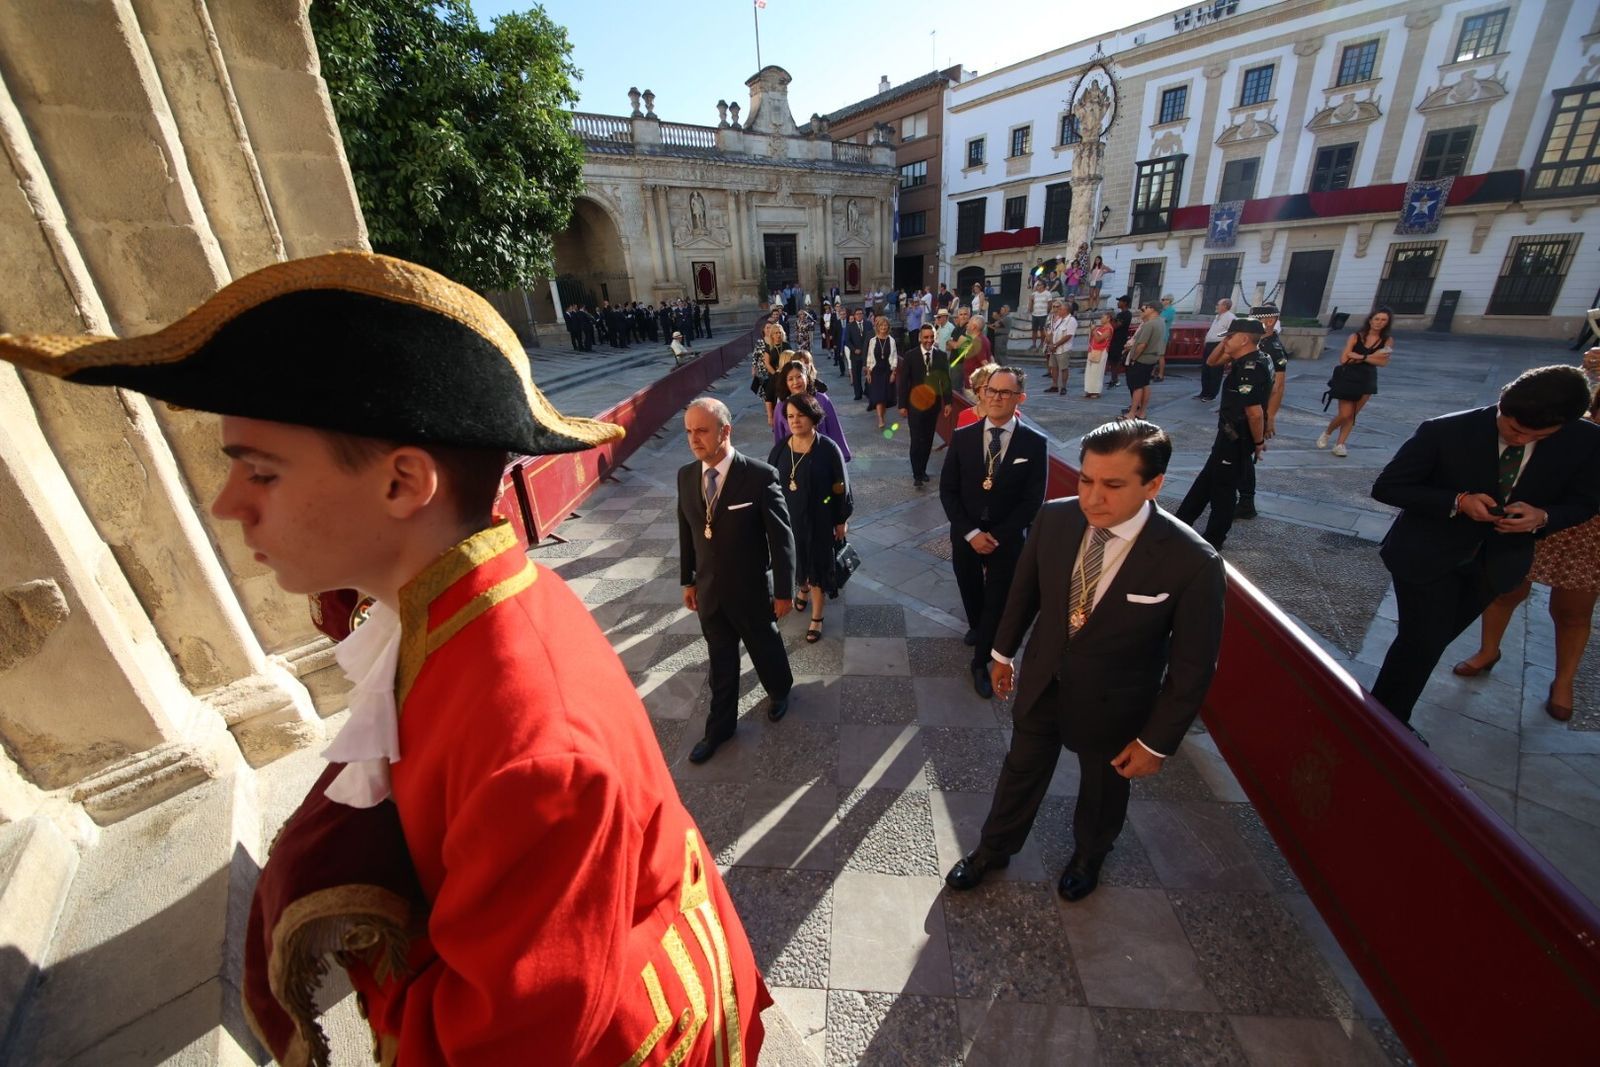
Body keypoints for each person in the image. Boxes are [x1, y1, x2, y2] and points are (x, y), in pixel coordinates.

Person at [0, 251, 773, 1064]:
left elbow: (493, 1044)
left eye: (261, 472)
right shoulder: (440, 608)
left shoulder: (534, 752)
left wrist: (377, 932)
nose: (230, 506)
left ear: (405, 484)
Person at [944, 419, 1226, 901]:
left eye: (1113, 485)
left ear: (1154, 484)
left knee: (1103, 788)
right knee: (1021, 769)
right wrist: (1001, 653)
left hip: (1115, 703)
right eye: (1085, 479)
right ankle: (994, 848)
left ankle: (1088, 856)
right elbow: (1024, 594)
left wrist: (1156, 744)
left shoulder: (1191, 560)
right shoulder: (1055, 519)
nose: (1093, 498)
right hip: (1043, 681)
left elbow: (1192, 667)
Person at [1369, 365, 1600, 729]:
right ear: (1502, 404)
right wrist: (1458, 501)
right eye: (1511, 427)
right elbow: (1388, 487)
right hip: (1427, 555)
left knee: (1428, 643)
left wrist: (1542, 516)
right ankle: (1387, 725)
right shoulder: (1445, 430)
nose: (1519, 438)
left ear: (1563, 426)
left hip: (1498, 562)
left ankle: (1379, 719)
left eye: (1534, 434)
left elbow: (1586, 502)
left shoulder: (1586, 441)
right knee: (1422, 642)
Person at [1455, 379, 1600, 720]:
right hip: (1530, 516)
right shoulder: (1573, 431)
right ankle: (1488, 650)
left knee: (1574, 610)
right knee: (1504, 588)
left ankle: (1563, 682)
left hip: (1587, 530)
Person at [679, 398, 797, 762]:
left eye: (702, 430)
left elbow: (782, 539)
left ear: (725, 431)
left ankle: (780, 690)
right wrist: (688, 580)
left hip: (750, 591)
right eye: (689, 432)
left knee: (765, 648)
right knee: (721, 663)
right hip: (710, 593)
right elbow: (686, 529)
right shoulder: (686, 475)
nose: (694, 439)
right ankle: (720, 728)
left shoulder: (759, 477)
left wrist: (783, 591)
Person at [939, 367, 1049, 698]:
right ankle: (979, 626)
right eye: (991, 390)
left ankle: (980, 661)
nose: (996, 398)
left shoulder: (1034, 443)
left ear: (1020, 399)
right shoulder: (964, 436)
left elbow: (1033, 500)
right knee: (971, 588)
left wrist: (999, 534)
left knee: (999, 598)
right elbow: (948, 490)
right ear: (982, 393)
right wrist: (971, 532)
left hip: (1007, 536)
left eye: (1005, 393)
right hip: (966, 532)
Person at [1174, 318, 1271, 549]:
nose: (1225, 341)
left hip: (1237, 437)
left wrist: (1258, 442)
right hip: (1229, 435)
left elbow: (1254, 412)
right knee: (1207, 481)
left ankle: (1214, 540)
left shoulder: (1250, 366)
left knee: (1223, 491)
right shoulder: (1251, 358)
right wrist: (1227, 342)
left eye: (1230, 336)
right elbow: (1212, 361)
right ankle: (1180, 523)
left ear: (1244, 339)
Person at [768, 392, 853, 643]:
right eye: (790, 416)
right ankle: (802, 589)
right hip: (789, 520)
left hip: (819, 520)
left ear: (813, 417)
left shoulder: (827, 448)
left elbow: (841, 486)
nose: (795, 421)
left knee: (816, 566)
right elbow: (770, 485)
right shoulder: (780, 449)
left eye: (801, 415)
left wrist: (841, 520)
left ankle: (817, 615)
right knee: (795, 561)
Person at [1237, 302, 1289, 521]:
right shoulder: (1260, 344)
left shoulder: (1273, 349)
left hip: (1255, 409)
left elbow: (1278, 387)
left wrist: (1270, 417)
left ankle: (1247, 501)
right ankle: (1244, 500)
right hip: (1246, 407)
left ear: (1271, 321)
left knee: (1243, 458)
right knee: (1240, 457)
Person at [1319, 308, 1392, 457]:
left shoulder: (1387, 340)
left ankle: (1340, 444)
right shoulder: (1356, 336)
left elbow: (1383, 362)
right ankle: (1328, 432)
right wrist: (1373, 356)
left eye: (1383, 320)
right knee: (1345, 414)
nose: (1379, 322)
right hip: (1349, 377)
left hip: (1368, 379)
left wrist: (1361, 357)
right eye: (1377, 319)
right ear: (1370, 320)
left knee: (1353, 414)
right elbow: (1345, 359)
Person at [900, 323, 953, 487]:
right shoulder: (910, 356)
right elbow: (904, 382)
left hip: (933, 406)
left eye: (931, 337)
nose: (929, 340)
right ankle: (917, 473)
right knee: (916, 440)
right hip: (914, 406)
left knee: (928, 440)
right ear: (920, 338)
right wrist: (902, 404)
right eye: (926, 337)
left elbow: (945, 381)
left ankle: (922, 471)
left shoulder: (941, 356)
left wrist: (948, 402)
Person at [773, 361, 851, 461]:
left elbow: (834, 429)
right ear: (785, 383)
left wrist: (841, 458)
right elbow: (779, 439)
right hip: (794, 460)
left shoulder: (822, 400)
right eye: (790, 379)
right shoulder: (781, 407)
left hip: (823, 457)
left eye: (799, 377)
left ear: (806, 376)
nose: (796, 382)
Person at [1123, 302, 1166, 419]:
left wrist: (1133, 358)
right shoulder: (1160, 322)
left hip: (1143, 358)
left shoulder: (1149, 324)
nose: (1143, 311)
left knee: (1137, 386)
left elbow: (1142, 345)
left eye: (1145, 308)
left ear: (1152, 309)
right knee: (1145, 384)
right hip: (1152, 357)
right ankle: (1142, 412)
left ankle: (1132, 412)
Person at [864, 314, 900, 430]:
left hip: (887, 370)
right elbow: (869, 357)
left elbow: (894, 357)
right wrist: (868, 373)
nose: (883, 327)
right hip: (876, 371)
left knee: (885, 397)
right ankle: (880, 417)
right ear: (877, 327)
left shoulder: (892, 340)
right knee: (878, 396)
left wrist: (893, 373)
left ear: (888, 327)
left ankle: (882, 415)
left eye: (885, 325)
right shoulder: (873, 341)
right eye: (881, 325)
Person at [1197, 298, 1235, 401]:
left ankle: (1211, 394)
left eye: (1218, 304)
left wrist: (1223, 343)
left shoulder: (1230, 317)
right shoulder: (1218, 316)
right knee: (1206, 369)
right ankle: (1204, 391)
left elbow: (1231, 333)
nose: (1216, 306)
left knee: (1215, 370)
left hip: (1218, 344)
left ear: (1225, 306)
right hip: (1210, 344)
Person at [755, 321, 791, 426]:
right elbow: (767, 363)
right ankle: (772, 417)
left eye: (780, 332)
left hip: (786, 373)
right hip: (775, 375)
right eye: (776, 333)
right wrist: (776, 374)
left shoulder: (786, 345)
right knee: (770, 393)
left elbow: (791, 359)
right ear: (772, 335)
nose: (778, 335)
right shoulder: (769, 347)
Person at [1043, 300, 1078, 395]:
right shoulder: (1059, 319)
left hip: (1063, 349)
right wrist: (1050, 343)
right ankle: (1054, 385)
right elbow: (1053, 331)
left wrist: (1055, 345)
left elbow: (1068, 336)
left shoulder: (1071, 320)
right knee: (1053, 367)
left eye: (1060, 309)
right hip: (1054, 348)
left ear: (1066, 310)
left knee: (1063, 368)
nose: (1058, 310)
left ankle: (1063, 387)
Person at [1084, 311, 1113, 399]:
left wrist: (1093, 330)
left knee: (1097, 372)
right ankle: (1089, 390)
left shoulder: (1109, 329)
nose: (1101, 319)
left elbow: (1099, 339)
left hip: (1101, 351)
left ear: (1108, 318)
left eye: (1103, 317)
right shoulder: (1100, 328)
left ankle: (1095, 391)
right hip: (1093, 350)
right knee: (1090, 371)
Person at [1108, 296, 1133, 389]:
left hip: (1119, 340)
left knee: (1116, 360)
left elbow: (1115, 326)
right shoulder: (1120, 314)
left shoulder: (1126, 314)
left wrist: (1111, 318)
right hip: (1114, 339)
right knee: (1112, 360)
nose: (1118, 303)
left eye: (1120, 301)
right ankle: (1113, 379)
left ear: (1125, 303)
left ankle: (1116, 379)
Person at [845, 308, 867, 400]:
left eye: (861, 313)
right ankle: (858, 393)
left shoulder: (868, 324)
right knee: (856, 375)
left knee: (868, 373)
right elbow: (847, 340)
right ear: (854, 315)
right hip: (855, 354)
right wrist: (854, 350)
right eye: (857, 314)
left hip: (866, 354)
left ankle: (868, 391)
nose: (859, 315)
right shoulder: (850, 326)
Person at [1028, 281, 1052, 353]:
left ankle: (1042, 344)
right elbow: (1030, 306)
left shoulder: (1047, 293)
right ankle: (1034, 344)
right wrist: (1031, 300)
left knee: (1042, 330)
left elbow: (1050, 304)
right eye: (1037, 285)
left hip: (1043, 314)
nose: (1037, 286)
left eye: (1039, 285)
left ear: (1043, 286)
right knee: (1034, 330)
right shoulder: (1034, 294)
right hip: (1035, 314)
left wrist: (1047, 312)